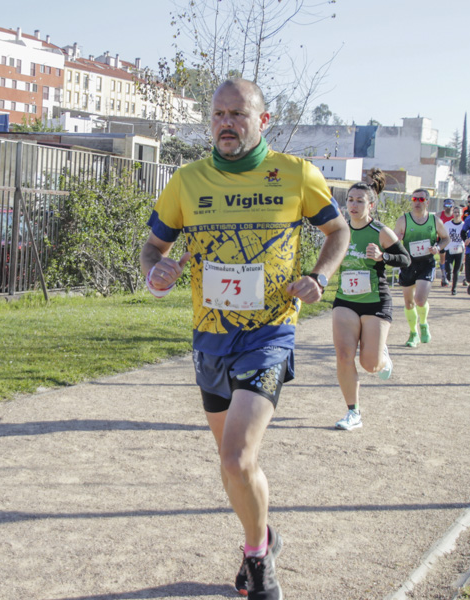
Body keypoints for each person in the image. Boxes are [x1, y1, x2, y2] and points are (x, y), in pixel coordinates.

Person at [140, 77, 349, 600]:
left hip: (270, 334)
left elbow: (339, 230)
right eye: (217, 115)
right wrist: (156, 272)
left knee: (235, 458)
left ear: (263, 120)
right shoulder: (187, 180)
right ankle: (265, 538)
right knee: (235, 468)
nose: (226, 123)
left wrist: (319, 275)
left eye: (237, 114)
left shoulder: (296, 175)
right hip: (209, 339)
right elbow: (152, 247)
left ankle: (257, 564)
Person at [331, 170, 411, 430]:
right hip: (345, 299)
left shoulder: (380, 231)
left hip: (376, 301)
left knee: (370, 365)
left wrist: (382, 257)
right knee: (344, 355)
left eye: (359, 201)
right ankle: (353, 412)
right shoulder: (339, 231)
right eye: (350, 200)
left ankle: (382, 356)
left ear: (371, 205)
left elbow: (405, 259)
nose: (353, 205)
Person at [393, 188, 450, 346]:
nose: (417, 202)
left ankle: (423, 324)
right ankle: (413, 333)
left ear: (427, 201)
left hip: (426, 263)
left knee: (419, 299)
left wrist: (438, 247)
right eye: (414, 199)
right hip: (408, 263)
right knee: (409, 303)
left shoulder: (434, 220)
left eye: (420, 199)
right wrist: (397, 242)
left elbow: (446, 238)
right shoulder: (403, 220)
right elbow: (394, 240)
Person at [445, 206, 466, 295]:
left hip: (459, 249)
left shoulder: (464, 225)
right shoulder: (447, 224)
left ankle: (454, 288)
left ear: (461, 214)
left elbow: (466, 237)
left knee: (456, 270)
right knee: (448, 267)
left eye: (458, 212)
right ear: (453, 213)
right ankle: (448, 273)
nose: (457, 214)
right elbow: (443, 236)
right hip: (449, 249)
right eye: (455, 212)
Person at [438, 198, 459, 286]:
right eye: (447, 205)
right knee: (443, 257)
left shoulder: (455, 216)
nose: (449, 207)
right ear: (444, 206)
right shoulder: (439, 215)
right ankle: (443, 275)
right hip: (442, 239)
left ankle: (452, 274)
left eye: (450, 205)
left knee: (454, 259)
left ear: (453, 207)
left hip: (453, 240)